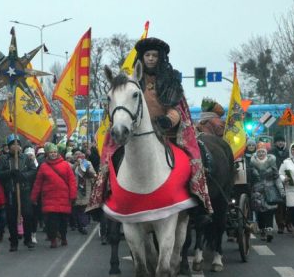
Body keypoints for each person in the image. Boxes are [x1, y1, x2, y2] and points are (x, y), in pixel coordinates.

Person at [88, 37, 212, 216]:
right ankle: (106, 198)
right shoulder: (131, 82)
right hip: (135, 132)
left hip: (166, 134)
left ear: (160, 58)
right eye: (148, 55)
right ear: (142, 57)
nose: (151, 59)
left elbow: (177, 109)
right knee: (109, 159)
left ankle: (194, 201)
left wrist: (168, 120)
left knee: (193, 159)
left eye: (154, 55)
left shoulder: (170, 81)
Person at [31, 142, 77, 248]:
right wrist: (34, 197)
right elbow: (38, 183)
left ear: (58, 153)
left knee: (63, 221)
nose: (53, 154)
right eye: (51, 152)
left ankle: (63, 237)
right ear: (47, 153)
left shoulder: (65, 165)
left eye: (55, 152)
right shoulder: (43, 166)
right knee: (51, 222)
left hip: (64, 198)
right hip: (49, 198)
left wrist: (73, 195)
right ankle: (53, 240)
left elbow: (72, 181)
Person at [0, 135, 37, 251]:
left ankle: (28, 239)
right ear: (9, 147)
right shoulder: (3, 159)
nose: (16, 146)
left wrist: (22, 176)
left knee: (28, 215)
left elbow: (33, 170)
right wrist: (11, 173)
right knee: (11, 218)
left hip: (24, 191)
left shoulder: (26, 158)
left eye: (18, 144)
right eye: (13, 144)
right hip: (11, 192)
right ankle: (13, 242)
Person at [249, 143, 283, 242]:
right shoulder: (252, 163)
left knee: (270, 210)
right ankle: (262, 230)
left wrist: (281, 189)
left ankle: (269, 231)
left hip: (270, 188)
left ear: (266, 153)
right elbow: (250, 179)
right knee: (259, 211)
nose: (261, 154)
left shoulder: (272, 162)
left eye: (263, 152)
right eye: (259, 152)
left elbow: (276, 176)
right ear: (256, 153)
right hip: (257, 190)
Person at [270, 133, 290, 234]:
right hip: (275, 180)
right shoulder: (271, 152)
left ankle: (288, 223)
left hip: (288, 180)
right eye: (278, 141)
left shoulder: (288, 152)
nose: (281, 143)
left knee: (289, 203)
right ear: (275, 143)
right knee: (279, 204)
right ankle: (280, 225)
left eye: (282, 141)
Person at [72, 150, 96, 234]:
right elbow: (69, 172)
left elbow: (93, 174)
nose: (78, 156)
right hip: (75, 189)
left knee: (84, 208)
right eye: (76, 154)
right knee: (76, 209)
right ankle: (79, 225)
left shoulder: (88, 163)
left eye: (79, 154)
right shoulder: (71, 164)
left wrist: (87, 169)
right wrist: (76, 165)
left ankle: (84, 225)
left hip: (86, 189)